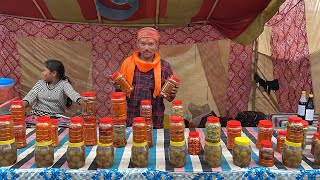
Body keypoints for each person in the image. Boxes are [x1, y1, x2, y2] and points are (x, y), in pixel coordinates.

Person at [116, 27, 178, 128]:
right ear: (137, 44)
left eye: (151, 44)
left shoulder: (165, 67)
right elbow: (121, 93)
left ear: (157, 46)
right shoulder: (128, 64)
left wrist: (173, 93)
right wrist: (117, 84)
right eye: (143, 43)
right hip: (133, 119)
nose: (147, 48)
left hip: (155, 120)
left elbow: (169, 98)